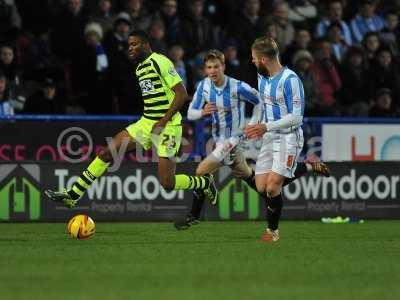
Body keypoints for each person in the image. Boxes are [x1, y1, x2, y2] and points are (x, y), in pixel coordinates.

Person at [45, 30, 217, 207]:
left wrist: (163, 121)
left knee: (167, 183)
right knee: (106, 153)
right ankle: (73, 194)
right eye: (129, 45)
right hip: (147, 122)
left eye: (134, 44)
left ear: (146, 45)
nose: (130, 48)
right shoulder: (140, 68)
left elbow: (181, 94)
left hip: (168, 125)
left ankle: (204, 183)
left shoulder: (161, 61)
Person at [175, 49, 330, 230]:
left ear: (223, 67)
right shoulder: (204, 86)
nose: (213, 71)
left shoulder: (237, 86)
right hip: (219, 141)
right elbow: (190, 114)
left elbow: (259, 101)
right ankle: (307, 167)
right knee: (261, 186)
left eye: (216, 66)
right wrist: (202, 112)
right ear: (205, 70)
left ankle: (194, 215)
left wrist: (254, 123)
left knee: (201, 171)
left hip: (234, 139)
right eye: (209, 67)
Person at [245, 37, 306, 242]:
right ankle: (306, 167)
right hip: (270, 137)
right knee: (261, 186)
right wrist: (255, 123)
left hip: (289, 137)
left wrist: (265, 126)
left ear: (263, 59)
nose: (252, 61)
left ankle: (272, 232)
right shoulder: (262, 76)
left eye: (254, 58)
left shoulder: (290, 80)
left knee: (272, 187)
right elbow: (263, 104)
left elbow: (296, 117)